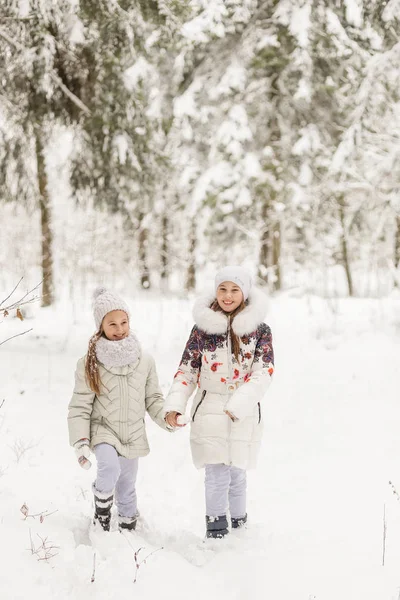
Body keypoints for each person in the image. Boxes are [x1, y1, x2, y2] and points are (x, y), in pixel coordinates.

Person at [164, 266, 274, 539]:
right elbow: (187, 370)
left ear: (245, 293)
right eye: (222, 289)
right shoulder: (203, 330)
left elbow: (264, 372)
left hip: (243, 413)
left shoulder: (260, 331)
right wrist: (175, 404)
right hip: (209, 409)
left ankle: (239, 528)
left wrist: (240, 403)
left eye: (234, 289)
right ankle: (215, 531)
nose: (227, 295)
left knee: (237, 473)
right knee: (215, 474)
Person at [68, 286, 171, 532]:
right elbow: (80, 405)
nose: (120, 329)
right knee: (109, 468)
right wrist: (81, 440)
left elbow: (153, 398)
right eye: (112, 324)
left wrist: (168, 416)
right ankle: (102, 515)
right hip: (104, 429)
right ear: (100, 326)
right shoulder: (90, 363)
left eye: (124, 322)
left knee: (127, 484)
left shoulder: (144, 360)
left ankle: (128, 526)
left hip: (133, 432)